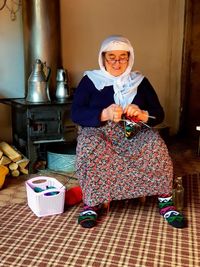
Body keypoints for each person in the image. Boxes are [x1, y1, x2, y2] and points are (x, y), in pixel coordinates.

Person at [71, 35, 186, 229]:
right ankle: (92, 203)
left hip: (134, 132)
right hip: (100, 132)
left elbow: (159, 113)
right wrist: (103, 113)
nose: (117, 62)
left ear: (129, 57)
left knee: (155, 145)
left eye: (122, 57)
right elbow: (76, 113)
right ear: (103, 58)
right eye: (112, 57)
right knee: (89, 146)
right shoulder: (90, 80)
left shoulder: (140, 81)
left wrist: (142, 114)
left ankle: (165, 200)